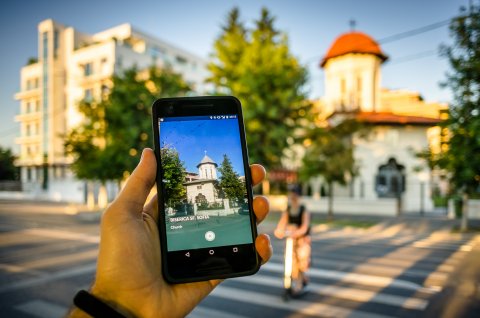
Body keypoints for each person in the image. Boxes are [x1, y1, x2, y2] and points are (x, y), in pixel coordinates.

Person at [68, 148, 272, 318]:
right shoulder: (191, 185)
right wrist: (118, 300)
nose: (207, 171)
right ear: (202, 170)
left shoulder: (216, 183)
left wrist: (116, 305)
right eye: (205, 169)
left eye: (209, 170)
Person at [274, 184, 311, 286]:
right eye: (291, 194)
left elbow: (305, 226)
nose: (293, 196)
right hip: (291, 239)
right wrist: (279, 230)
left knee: (302, 262)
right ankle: (297, 281)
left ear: (298, 195)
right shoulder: (288, 209)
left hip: (302, 239)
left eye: (295, 194)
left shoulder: (303, 209)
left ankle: (301, 283)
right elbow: (282, 222)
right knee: (292, 262)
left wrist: (296, 232)